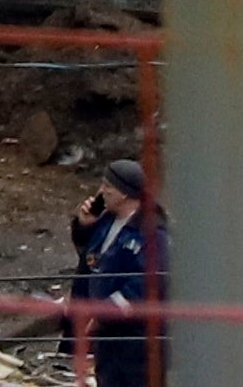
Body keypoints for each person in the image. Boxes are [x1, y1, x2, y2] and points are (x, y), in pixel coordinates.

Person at [71, 158, 162, 387]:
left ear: (124, 194)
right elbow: (88, 258)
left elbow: (144, 287)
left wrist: (103, 313)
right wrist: (84, 226)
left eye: (107, 186)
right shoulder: (107, 221)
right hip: (107, 340)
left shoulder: (153, 233)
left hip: (136, 343)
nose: (102, 191)